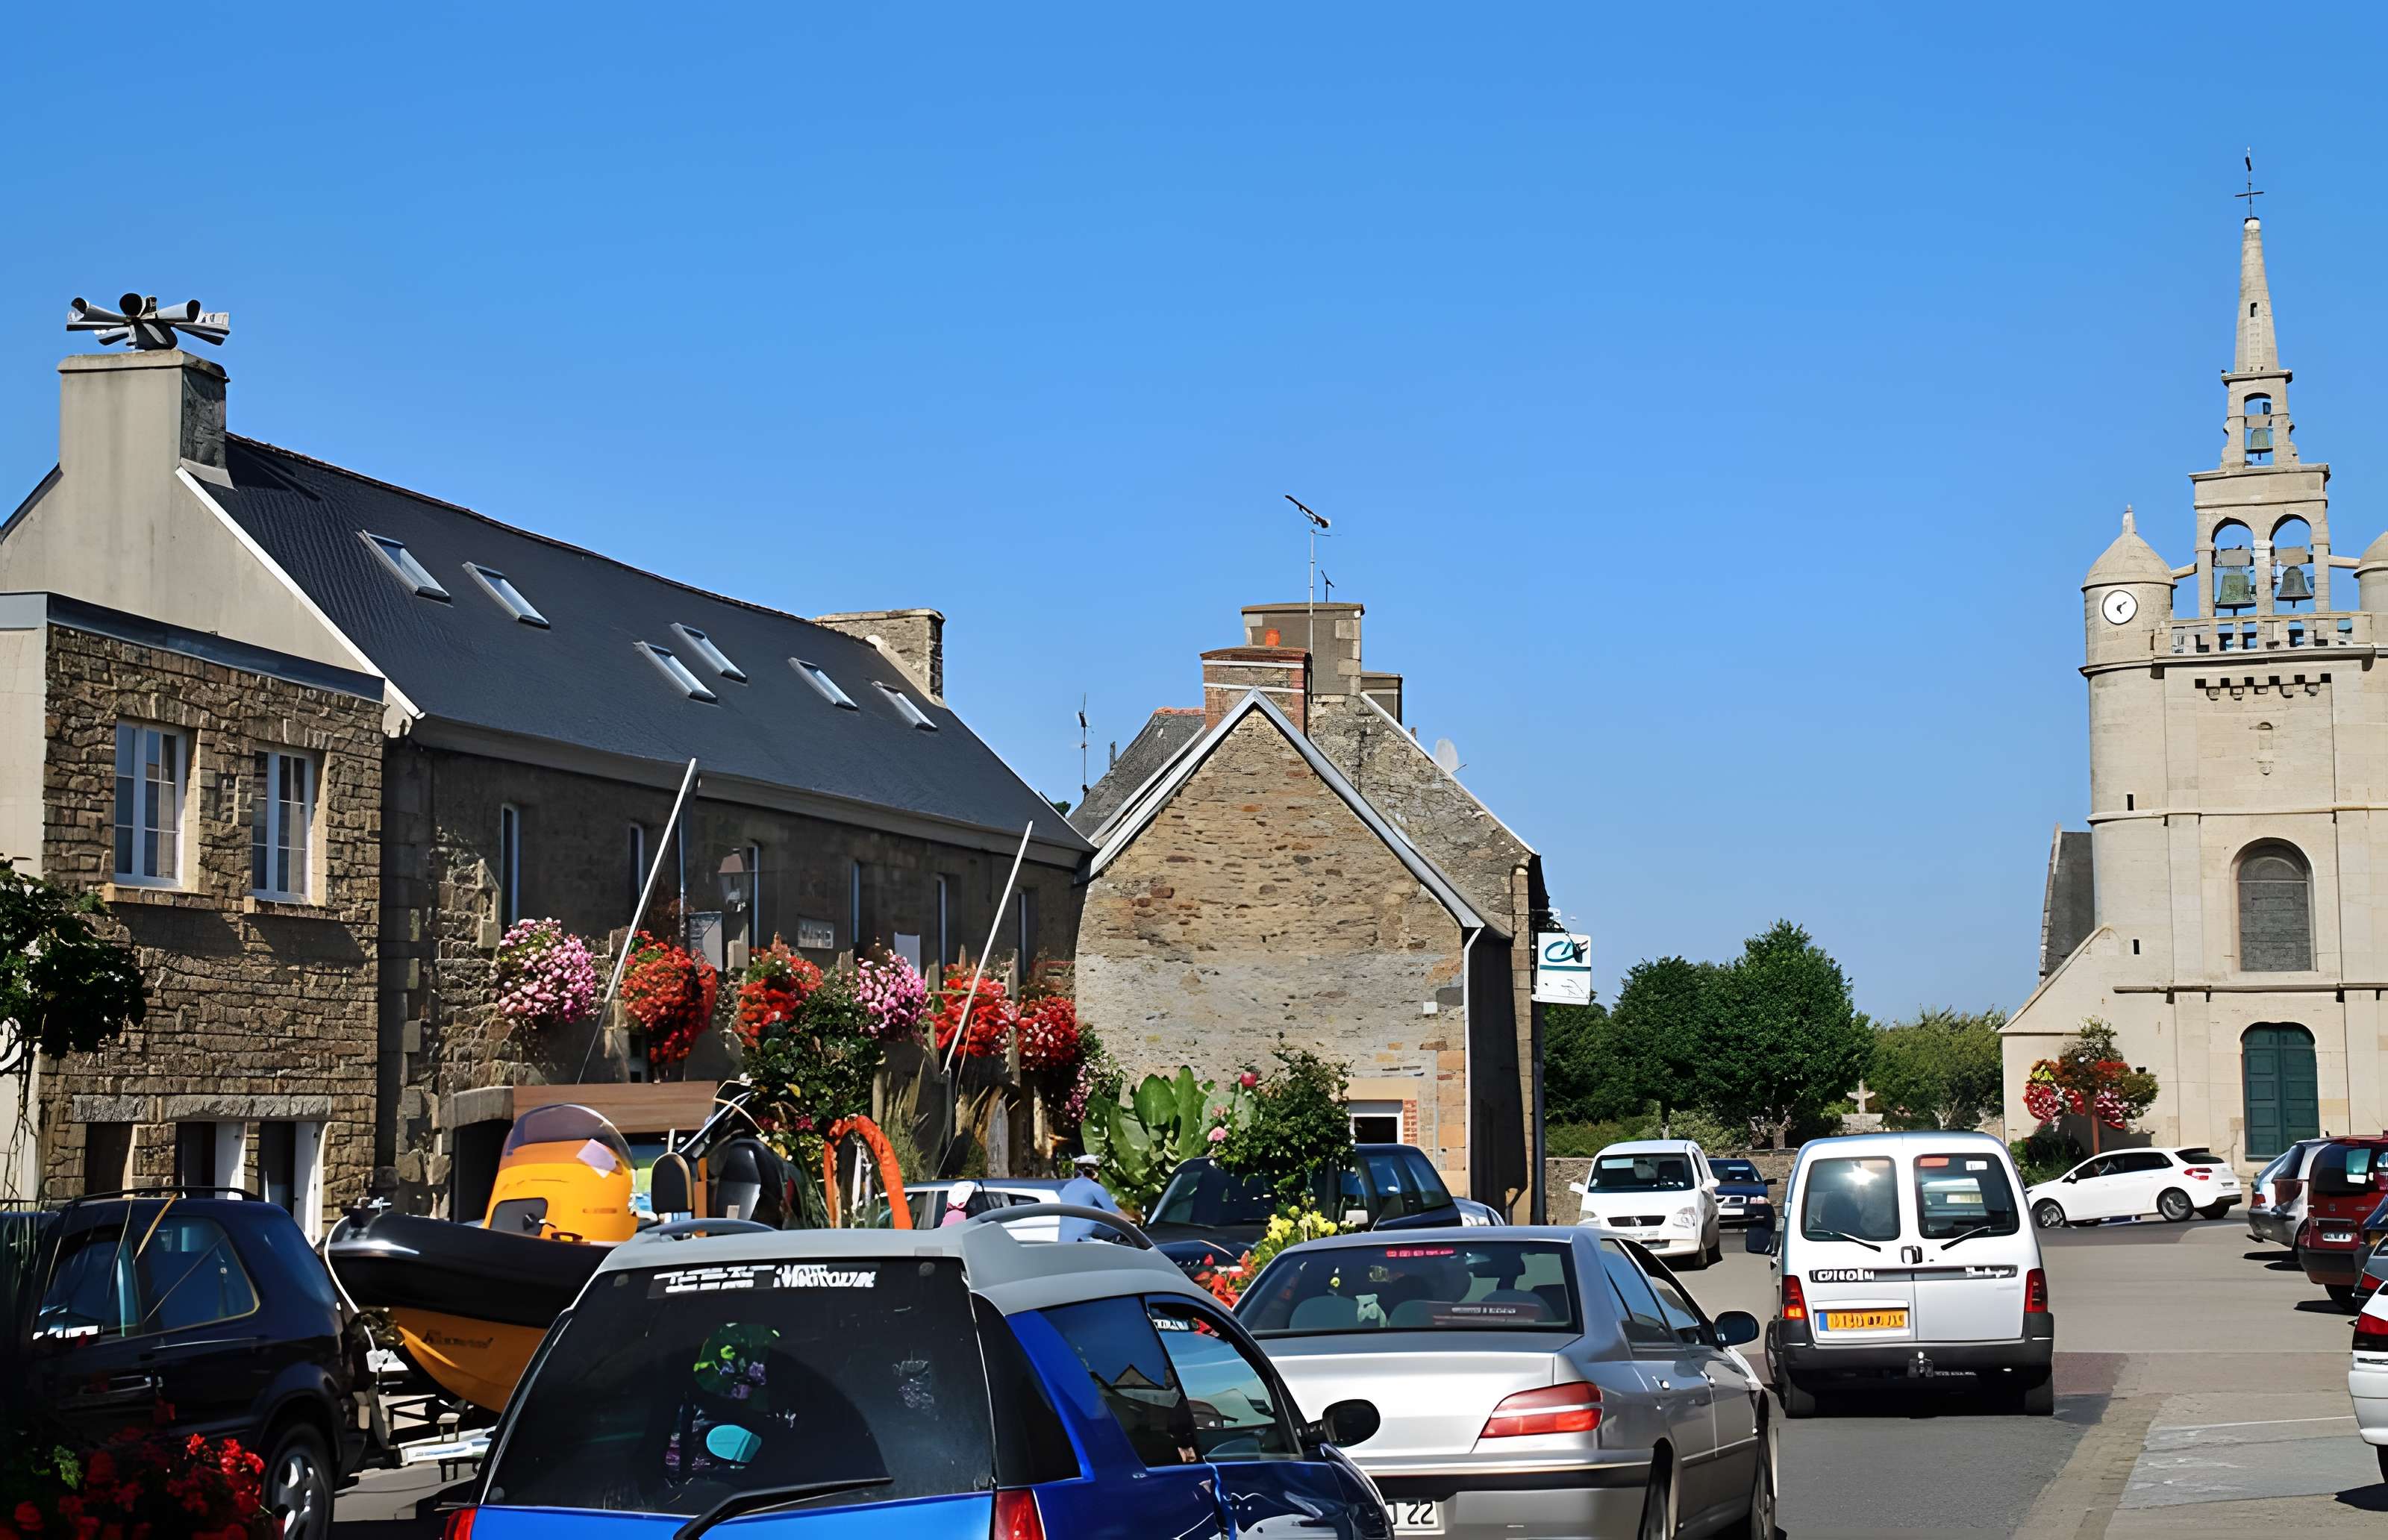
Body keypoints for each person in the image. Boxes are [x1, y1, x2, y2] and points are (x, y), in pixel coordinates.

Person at [1057, 1154, 1123, 1242]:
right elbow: (1114, 1212)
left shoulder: (1067, 1187)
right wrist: (1133, 1220)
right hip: (1085, 1241)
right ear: (1095, 1171)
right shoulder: (1095, 1187)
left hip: (1064, 1241)